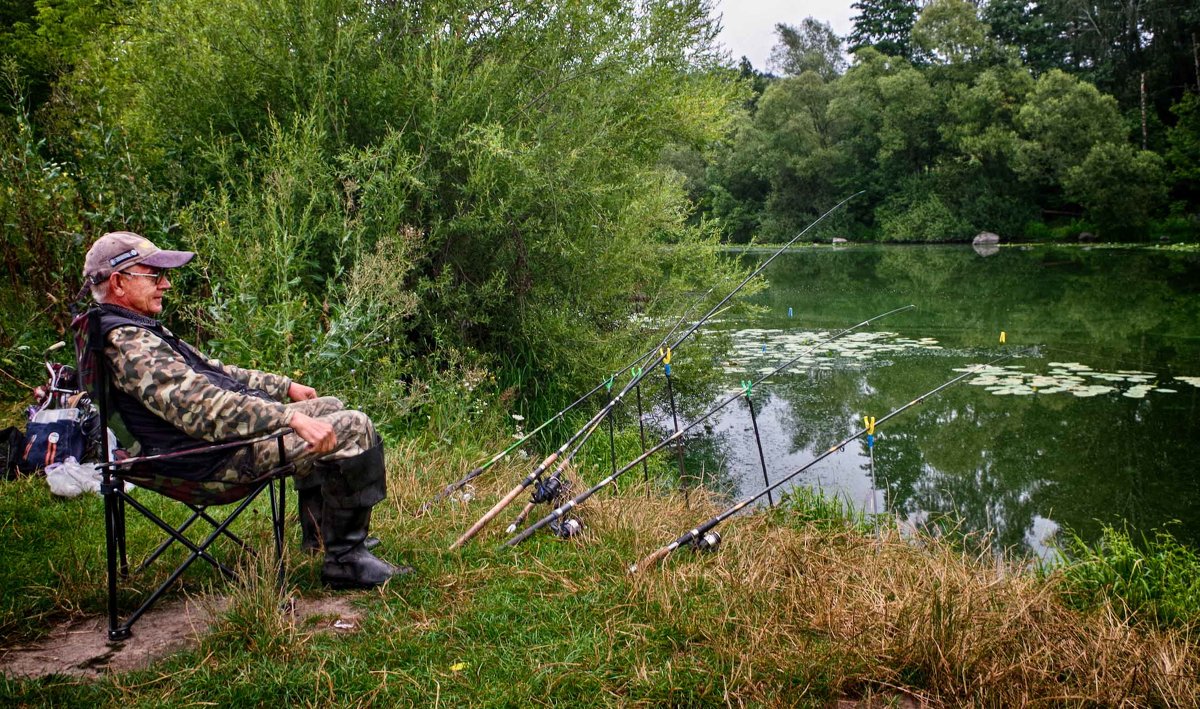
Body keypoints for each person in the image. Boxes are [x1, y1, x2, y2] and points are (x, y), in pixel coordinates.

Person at [82, 231, 401, 589]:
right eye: (154, 276)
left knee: (329, 408)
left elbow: (215, 372)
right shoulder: (131, 345)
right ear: (118, 283)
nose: (166, 284)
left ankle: (323, 538)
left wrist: (283, 386)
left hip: (199, 447)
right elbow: (205, 409)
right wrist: (287, 417)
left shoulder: (133, 329)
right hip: (205, 461)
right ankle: (345, 561)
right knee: (354, 426)